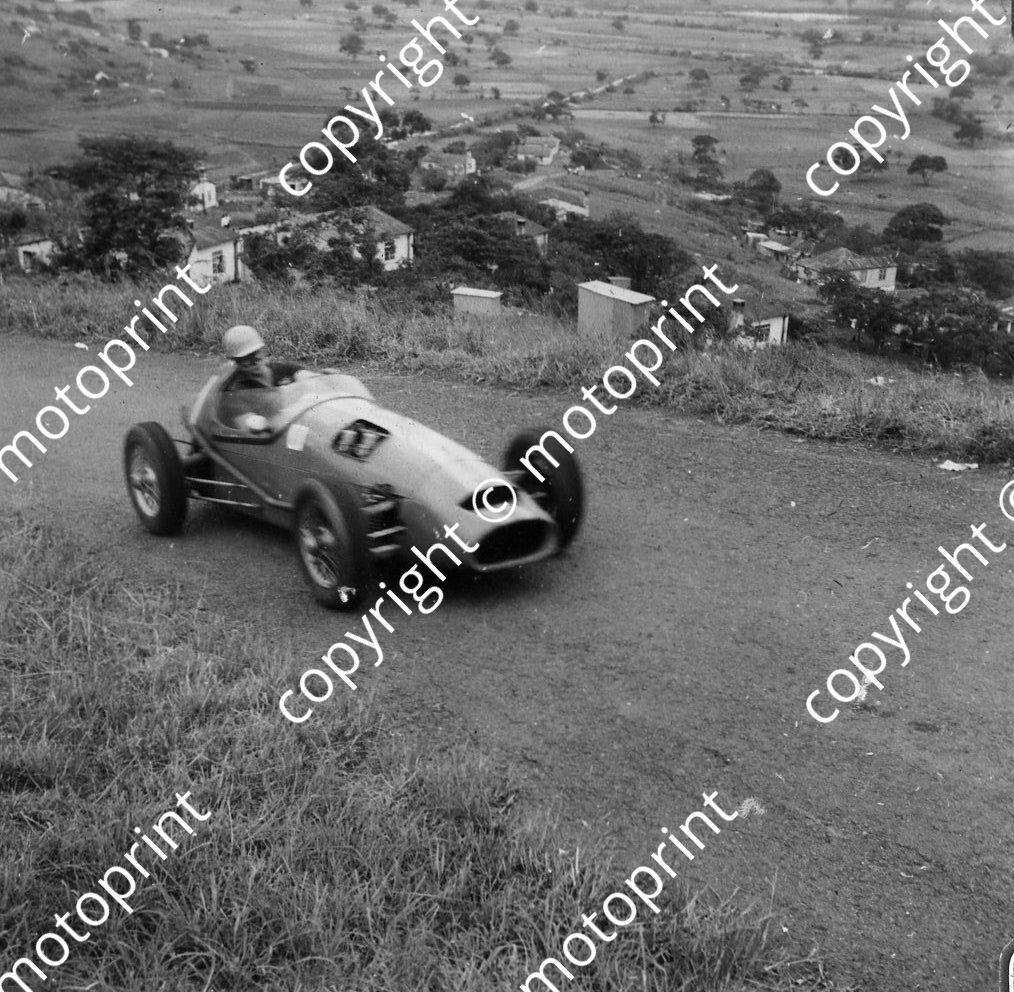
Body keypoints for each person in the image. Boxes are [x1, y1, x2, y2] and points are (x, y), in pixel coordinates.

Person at [223, 324, 274, 390]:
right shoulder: (235, 387)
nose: (254, 362)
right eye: (247, 358)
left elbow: (288, 367)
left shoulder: (267, 368)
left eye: (256, 353)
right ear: (236, 360)